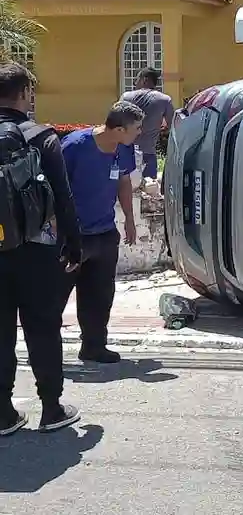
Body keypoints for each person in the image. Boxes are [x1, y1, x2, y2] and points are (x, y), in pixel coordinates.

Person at [0, 63, 82, 434]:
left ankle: (3, 414)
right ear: (25, 93)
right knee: (43, 328)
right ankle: (52, 408)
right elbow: (64, 198)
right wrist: (74, 245)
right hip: (36, 251)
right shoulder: (42, 137)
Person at [61, 101, 143, 364]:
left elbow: (124, 183)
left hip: (105, 233)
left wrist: (130, 219)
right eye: (136, 128)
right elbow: (52, 184)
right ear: (119, 129)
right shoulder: (75, 146)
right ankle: (45, 350)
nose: (139, 132)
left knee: (99, 295)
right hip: (72, 235)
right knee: (55, 295)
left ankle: (94, 346)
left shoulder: (124, 149)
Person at [120, 67, 174, 181]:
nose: (135, 82)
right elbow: (173, 127)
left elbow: (116, 122)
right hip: (148, 153)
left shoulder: (126, 97)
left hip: (126, 152)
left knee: (125, 189)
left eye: (137, 79)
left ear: (145, 79)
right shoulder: (164, 100)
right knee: (150, 192)